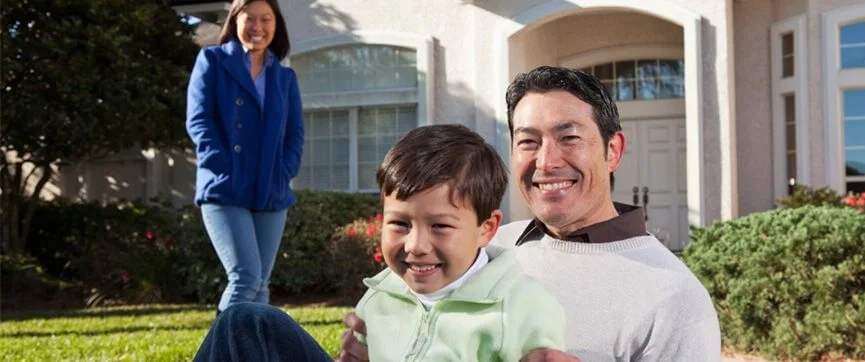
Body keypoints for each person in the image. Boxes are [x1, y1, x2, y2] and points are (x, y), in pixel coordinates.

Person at [339, 67, 721, 361]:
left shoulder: (673, 297)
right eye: (528, 141)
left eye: (569, 138)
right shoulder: (482, 246)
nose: (546, 161)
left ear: (612, 150)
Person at [355, 124, 566, 361]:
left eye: (440, 226)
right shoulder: (378, 295)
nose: (415, 245)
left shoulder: (524, 308)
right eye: (400, 224)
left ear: (486, 229)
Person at [185, 0, 303, 313]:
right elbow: (199, 120)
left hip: (271, 189)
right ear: (235, 20)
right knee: (245, 278)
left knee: (261, 283)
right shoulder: (212, 60)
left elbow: (295, 133)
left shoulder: (284, 77)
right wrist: (222, 164)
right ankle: (216, 353)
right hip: (224, 187)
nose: (258, 27)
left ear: (276, 25)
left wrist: (285, 171)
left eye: (266, 19)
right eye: (249, 18)